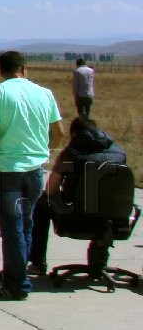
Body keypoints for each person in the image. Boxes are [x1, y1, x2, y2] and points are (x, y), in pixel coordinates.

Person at [0, 50, 63, 299]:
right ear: (24, 68)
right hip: (35, 172)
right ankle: (17, 271)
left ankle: (17, 284)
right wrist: (45, 152)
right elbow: (59, 131)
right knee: (26, 226)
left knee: (11, 230)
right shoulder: (45, 93)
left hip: (8, 171)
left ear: (0, 70)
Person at [28, 117, 127, 274]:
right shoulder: (120, 153)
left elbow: (50, 189)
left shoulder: (72, 153)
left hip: (77, 218)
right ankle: (100, 251)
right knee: (102, 206)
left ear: (74, 134)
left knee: (41, 203)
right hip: (113, 219)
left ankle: (38, 263)